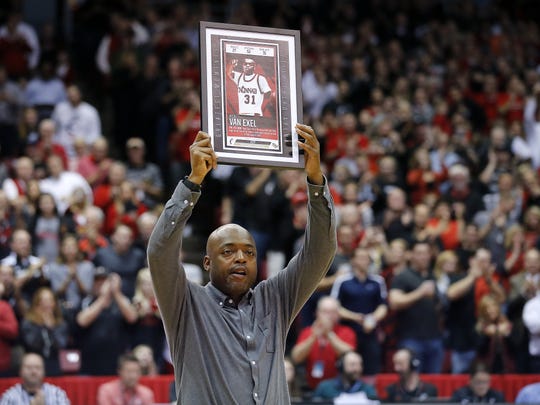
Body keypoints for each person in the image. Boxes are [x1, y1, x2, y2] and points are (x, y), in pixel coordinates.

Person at [148, 126, 336, 404]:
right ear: (207, 262)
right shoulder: (185, 303)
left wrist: (315, 181)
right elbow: (160, 251)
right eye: (229, 251)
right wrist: (192, 183)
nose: (240, 258)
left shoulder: (275, 299)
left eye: (249, 253)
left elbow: (320, 252)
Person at [290, 295, 356, 390]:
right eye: (325, 312)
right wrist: (313, 336)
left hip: (338, 388)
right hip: (310, 387)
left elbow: (349, 355)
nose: (328, 316)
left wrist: (329, 334)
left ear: (338, 314)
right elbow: (296, 358)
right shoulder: (308, 331)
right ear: (317, 313)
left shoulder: (347, 331)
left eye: (332, 312)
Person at [0, 352, 70, 405]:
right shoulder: (10, 397)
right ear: (20, 371)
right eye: (29, 367)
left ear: (44, 371)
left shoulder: (57, 394)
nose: (33, 371)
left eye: (37, 367)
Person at [312, 351, 378, 401]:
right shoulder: (325, 387)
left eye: (360, 365)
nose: (357, 369)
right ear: (341, 367)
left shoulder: (368, 389)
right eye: (353, 364)